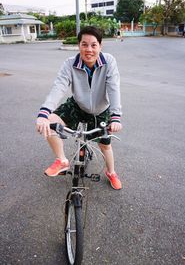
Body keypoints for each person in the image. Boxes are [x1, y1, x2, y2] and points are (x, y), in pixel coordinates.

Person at [36, 26, 122, 190]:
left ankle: (111, 172)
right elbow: (58, 87)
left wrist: (116, 116)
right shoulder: (70, 64)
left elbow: (114, 88)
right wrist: (43, 113)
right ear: (79, 45)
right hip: (77, 105)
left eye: (93, 45)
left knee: (105, 145)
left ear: (100, 46)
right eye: (84, 44)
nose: (89, 49)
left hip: (100, 111)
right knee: (49, 121)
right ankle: (62, 160)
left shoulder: (108, 61)